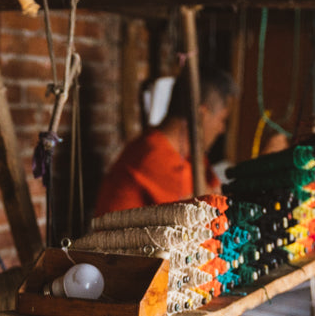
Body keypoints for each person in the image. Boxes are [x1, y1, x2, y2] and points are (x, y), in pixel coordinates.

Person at [93, 67, 239, 216]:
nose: (222, 129)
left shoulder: (190, 156)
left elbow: (220, 194)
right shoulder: (155, 156)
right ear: (202, 114)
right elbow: (216, 212)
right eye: (223, 120)